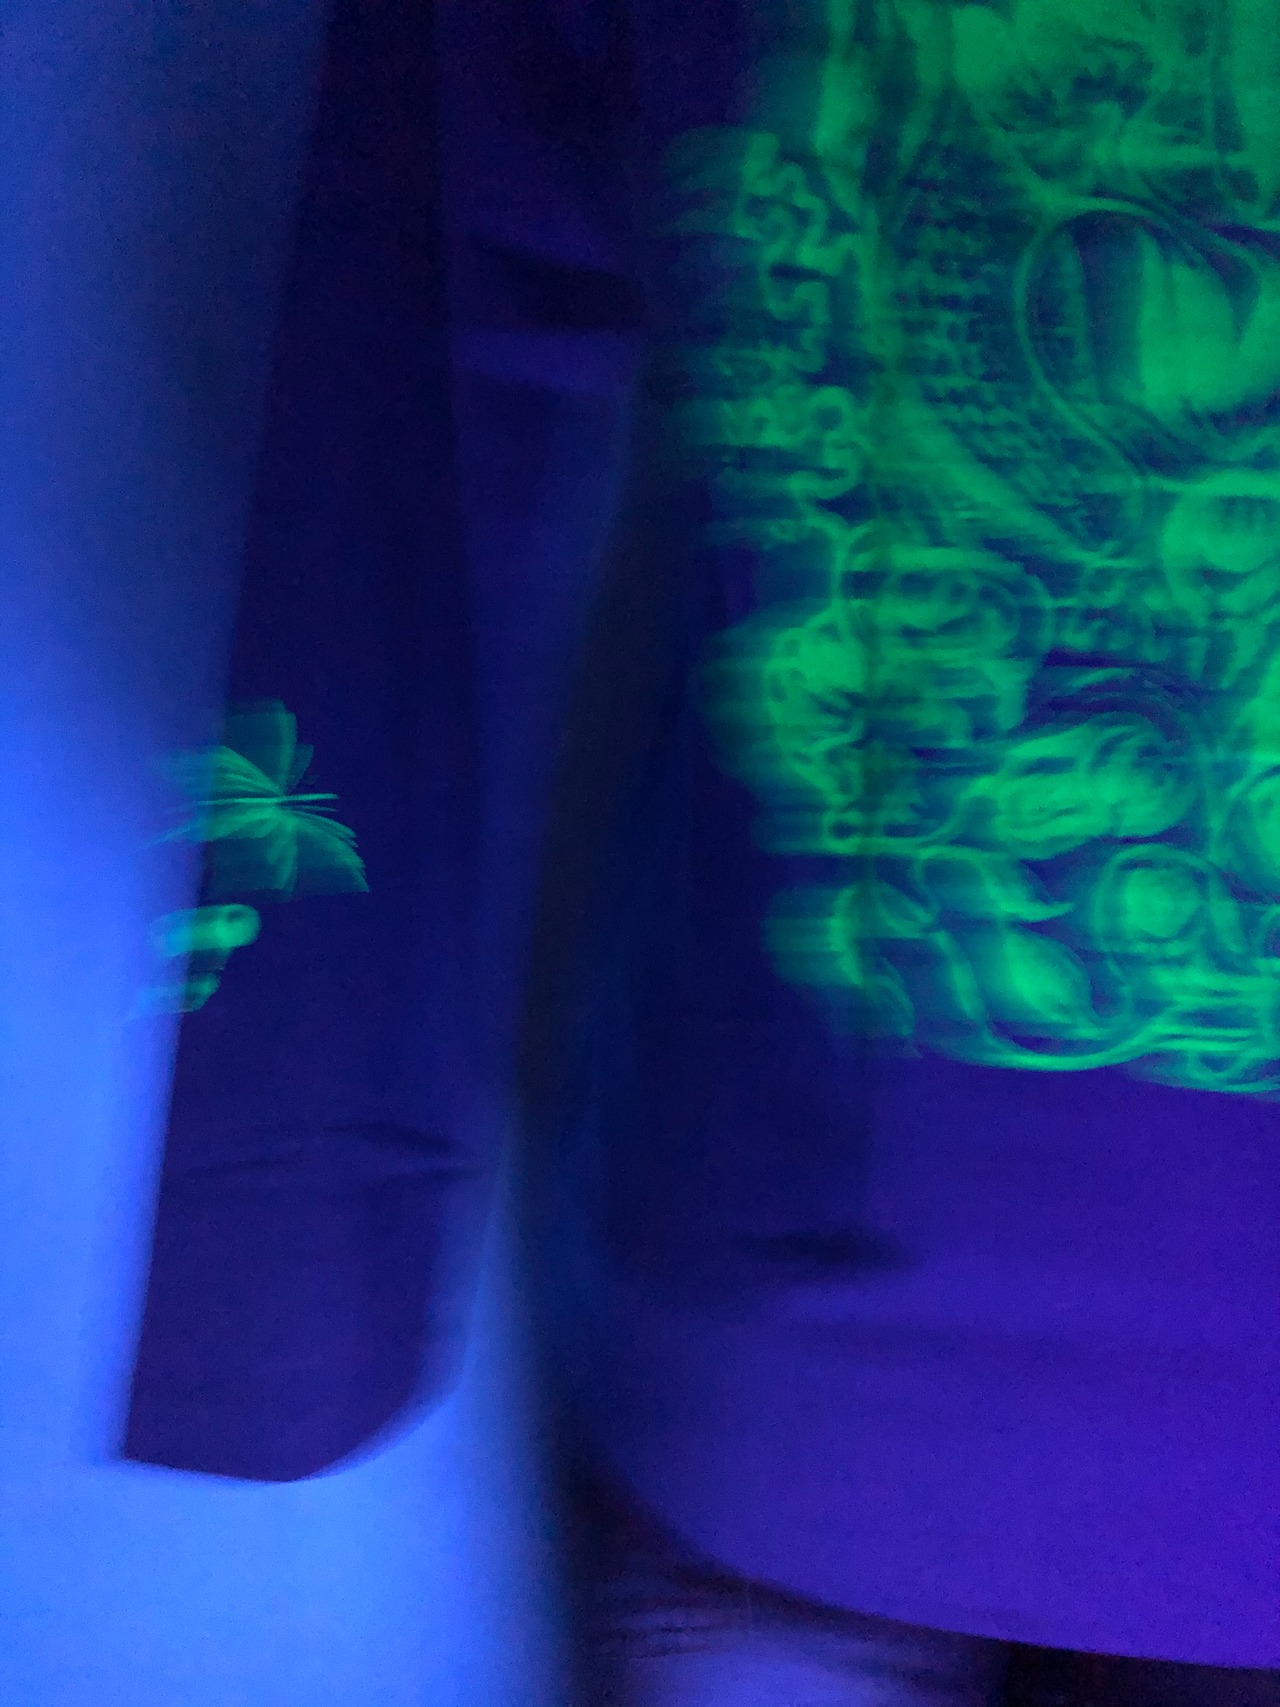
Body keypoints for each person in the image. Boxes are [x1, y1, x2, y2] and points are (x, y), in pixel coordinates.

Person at [124, 0, 1280, 1700]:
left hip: (791, 1370)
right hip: (799, 1391)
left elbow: (405, 383)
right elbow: (406, 366)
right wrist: (284, 1268)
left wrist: (288, 1284)